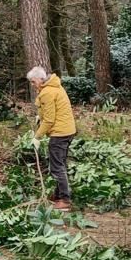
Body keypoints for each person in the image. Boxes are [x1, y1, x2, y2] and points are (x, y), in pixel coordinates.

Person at [26, 66, 77, 211]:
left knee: (57, 166)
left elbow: (49, 120)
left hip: (59, 133)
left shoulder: (47, 92)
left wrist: (37, 137)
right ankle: (58, 195)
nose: (32, 84)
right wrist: (39, 116)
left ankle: (65, 201)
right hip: (67, 130)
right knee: (59, 163)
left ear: (40, 79)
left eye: (33, 81)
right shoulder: (55, 86)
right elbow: (53, 110)